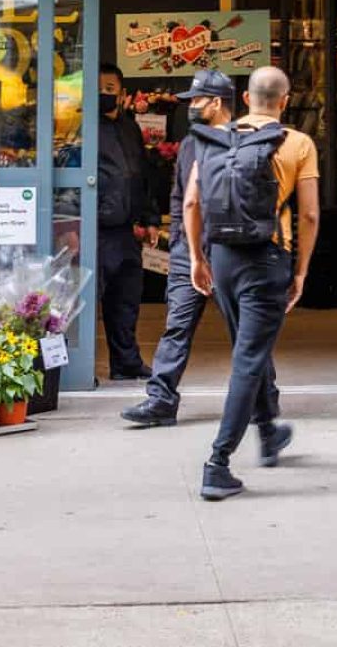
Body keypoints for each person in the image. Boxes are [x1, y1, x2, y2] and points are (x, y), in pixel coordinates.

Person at [183, 64, 320, 501]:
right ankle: (217, 463)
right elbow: (311, 214)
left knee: (249, 347)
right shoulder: (297, 143)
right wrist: (299, 271)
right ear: (285, 100)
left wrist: (196, 259)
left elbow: (191, 202)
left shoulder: (216, 137)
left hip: (222, 257)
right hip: (267, 259)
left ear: (244, 99)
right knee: (248, 358)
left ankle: (267, 431)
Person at [121, 68, 236, 428]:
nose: (191, 107)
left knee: (244, 331)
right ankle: (161, 399)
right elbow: (178, 198)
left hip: (230, 254)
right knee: (177, 326)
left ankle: (264, 398)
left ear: (216, 103)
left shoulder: (243, 143)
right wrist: (183, 248)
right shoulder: (189, 145)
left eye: (197, 101)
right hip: (191, 255)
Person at [96, 62, 158, 380]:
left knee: (126, 299)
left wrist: (149, 219)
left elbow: (142, 176)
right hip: (95, 228)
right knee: (89, 299)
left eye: (110, 89)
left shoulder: (129, 127)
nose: (104, 95)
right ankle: (76, 369)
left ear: (122, 93)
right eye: (99, 89)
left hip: (126, 228)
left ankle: (126, 362)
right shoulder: (82, 127)